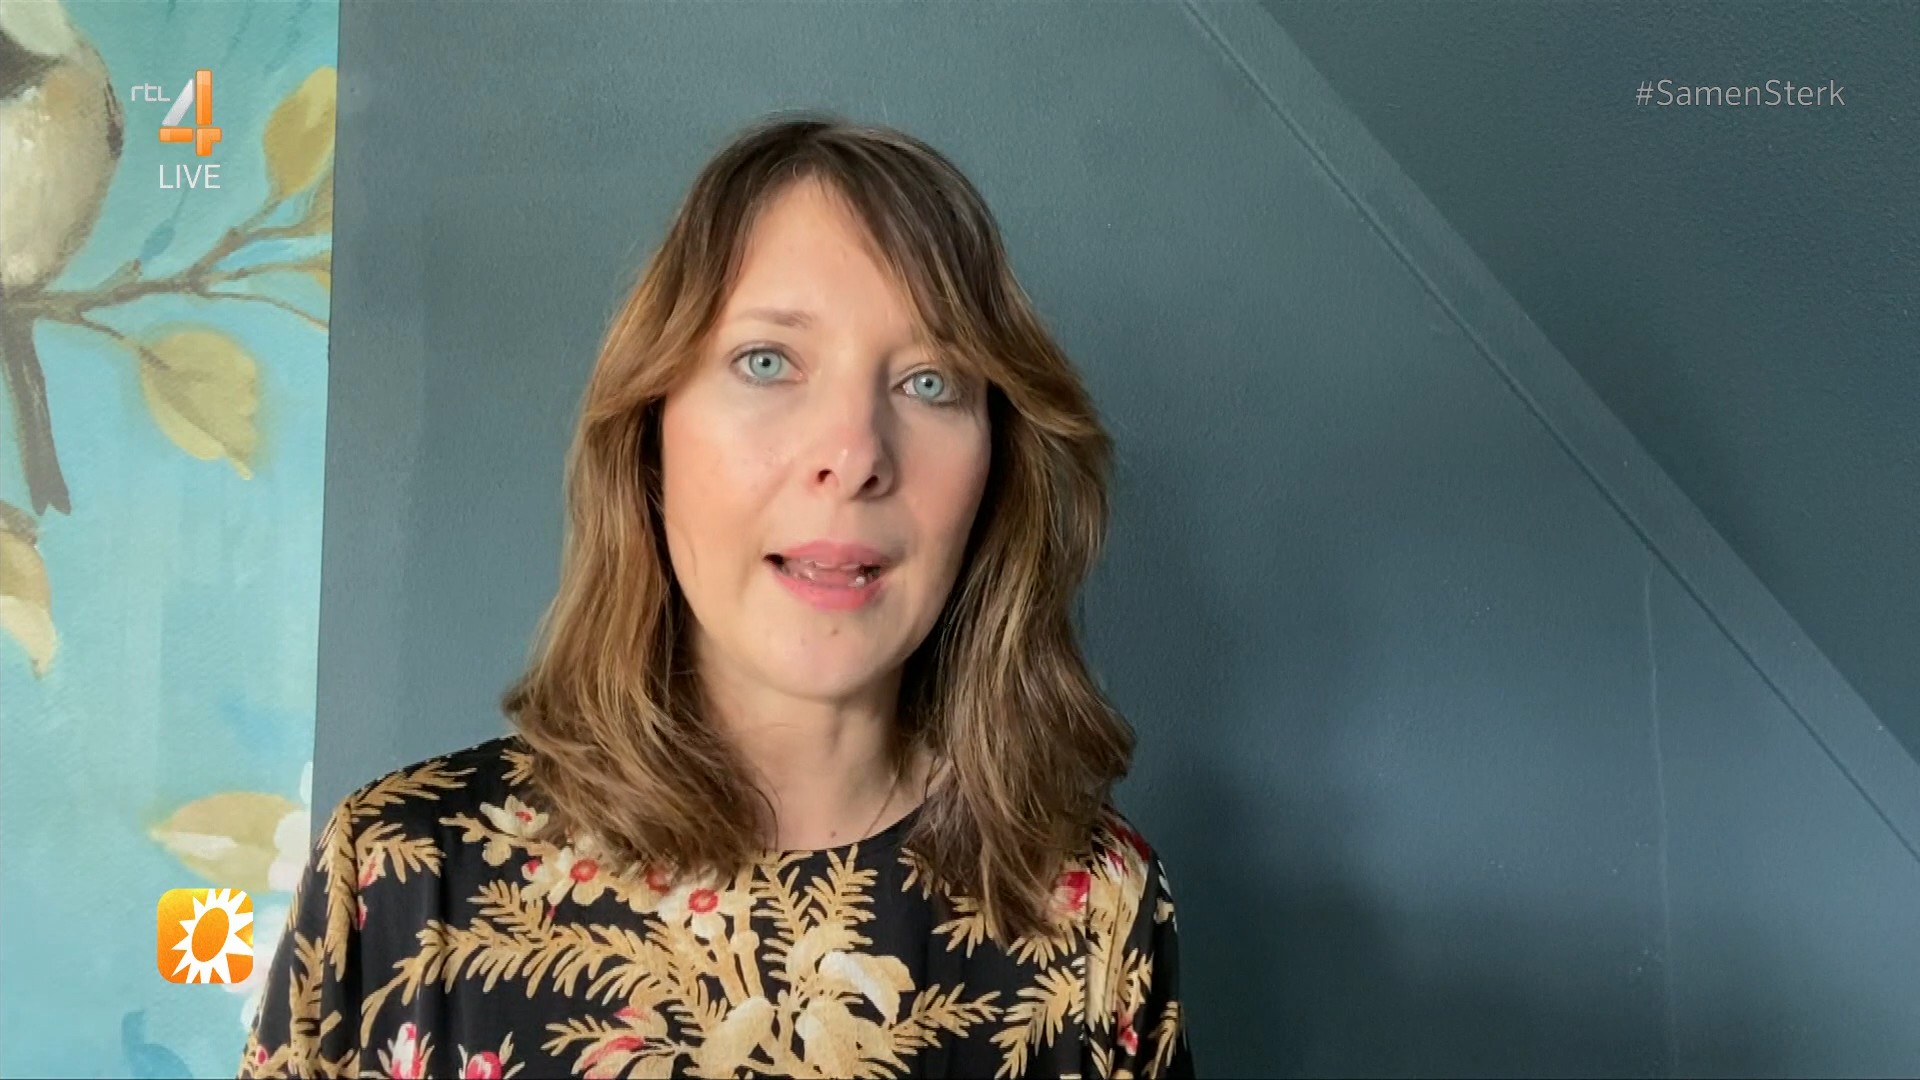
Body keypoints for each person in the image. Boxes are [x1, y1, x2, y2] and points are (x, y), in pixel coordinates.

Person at [240, 112, 1195, 1080]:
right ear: (650, 433)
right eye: (767, 362)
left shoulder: (1094, 916)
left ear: (998, 468)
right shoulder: (401, 879)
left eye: (929, 381)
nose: (854, 454)